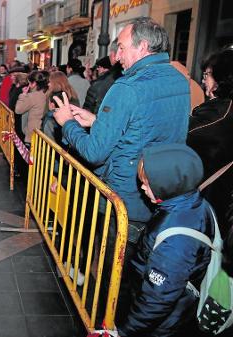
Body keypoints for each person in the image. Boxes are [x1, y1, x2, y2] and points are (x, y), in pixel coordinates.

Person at [52, 17, 191, 307]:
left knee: (111, 275)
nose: (117, 56)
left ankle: (106, 319)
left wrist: (67, 124)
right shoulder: (177, 79)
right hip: (161, 188)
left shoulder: (126, 87)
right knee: (135, 270)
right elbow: (146, 127)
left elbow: (94, 152)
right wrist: (99, 122)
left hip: (124, 195)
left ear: (142, 47)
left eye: (122, 47)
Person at [117, 144, 213, 337]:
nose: (142, 187)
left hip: (162, 325)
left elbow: (157, 299)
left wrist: (125, 331)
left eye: (148, 182)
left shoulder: (177, 238)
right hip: (168, 312)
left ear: (168, 183)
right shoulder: (190, 202)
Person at [187, 49, 233, 235]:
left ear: (222, 78)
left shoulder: (219, 114)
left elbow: (181, 136)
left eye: (207, 74)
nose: (203, 80)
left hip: (208, 203)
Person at [15, 70, 49, 144]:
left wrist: (23, 95)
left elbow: (18, 110)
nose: (28, 85)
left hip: (32, 133)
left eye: (29, 83)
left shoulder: (32, 96)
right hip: (42, 132)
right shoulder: (45, 94)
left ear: (34, 84)